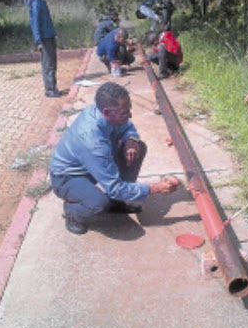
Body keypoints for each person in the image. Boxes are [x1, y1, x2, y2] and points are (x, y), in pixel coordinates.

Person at [50, 82, 180, 235]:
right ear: (106, 112)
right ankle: (73, 212)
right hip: (67, 178)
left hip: (90, 165)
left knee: (138, 147)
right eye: (125, 112)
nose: (129, 115)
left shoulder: (102, 112)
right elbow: (114, 188)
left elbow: (127, 126)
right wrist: (155, 188)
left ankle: (118, 202)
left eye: (129, 109)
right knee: (98, 203)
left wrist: (131, 139)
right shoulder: (92, 141)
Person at [27, 0, 60, 98]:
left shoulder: (42, 2)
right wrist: (38, 41)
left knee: (52, 63)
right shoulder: (36, 3)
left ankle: (53, 87)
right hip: (44, 39)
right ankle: (50, 90)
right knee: (48, 65)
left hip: (50, 37)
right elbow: (35, 23)